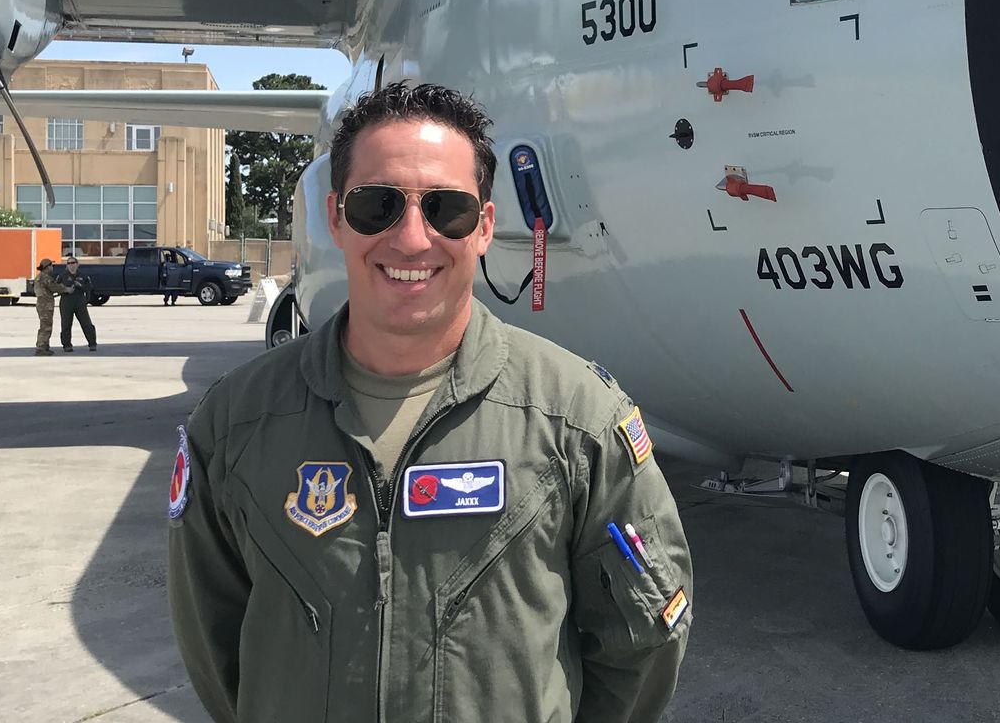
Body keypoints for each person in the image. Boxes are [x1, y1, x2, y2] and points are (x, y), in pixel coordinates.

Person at [168, 83, 693, 723]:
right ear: (334, 217)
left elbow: (640, 646)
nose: (412, 239)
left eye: (446, 209)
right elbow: (216, 651)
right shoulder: (235, 424)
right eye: (377, 206)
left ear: (484, 228)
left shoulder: (577, 421)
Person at [55, 256, 97, 352]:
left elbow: (89, 288)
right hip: (66, 301)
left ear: (77, 264)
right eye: (69, 263)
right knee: (66, 324)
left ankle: (92, 343)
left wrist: (81, 288)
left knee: (86, 323)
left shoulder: (83, 275)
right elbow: (56, 287)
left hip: (79, 301)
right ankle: (67, 345)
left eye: (73, 263)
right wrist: (65, 289)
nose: (71, 265)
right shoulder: (62, 276)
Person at [32, 258, 64, 356]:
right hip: (45, 305)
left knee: (45, 326)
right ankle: (41, 348)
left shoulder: (39, 277)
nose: (52, 267)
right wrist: (66, 289)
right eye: (51, 266)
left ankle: (45, 347)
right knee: (46, 327)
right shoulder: (45, 277)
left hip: (42, 304)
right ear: (47, 267)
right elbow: (54, 287)